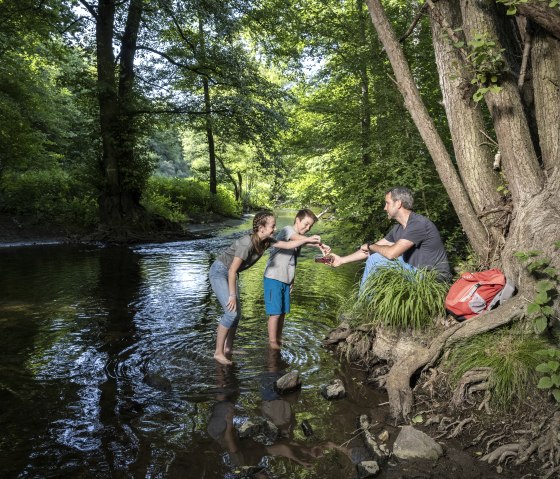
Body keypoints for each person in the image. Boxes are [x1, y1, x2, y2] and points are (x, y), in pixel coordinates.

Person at [209, 210, 323, 365]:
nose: (275, 229)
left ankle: (228, 349)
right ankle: (218, 353)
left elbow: (288, 244)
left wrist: (314, 242)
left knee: (237, 314)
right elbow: (232, 270)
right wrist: (232, 296)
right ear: (261, 227)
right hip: (220, 272)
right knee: (230, 313)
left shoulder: (266, 241)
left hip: (230, 274)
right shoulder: (246, 243)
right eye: (272, 226)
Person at [330, 187, 452, 285]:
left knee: (375, 259)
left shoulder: (418, 224)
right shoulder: (398, 228)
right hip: (416, 271)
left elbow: (391, 253)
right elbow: (370, 249)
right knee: (377, 256)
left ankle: (362, 308)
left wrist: (371, 246)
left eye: (387, 203)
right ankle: (372, 305)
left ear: (398, 203)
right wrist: (342, 260)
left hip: (434, 278)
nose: (384, 208)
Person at [263, 209, 331, 349]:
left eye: (310, 226)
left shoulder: (300, 238)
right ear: (297, 220)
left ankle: (278, 339)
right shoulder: (287, 230)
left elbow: (296, 255)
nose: (307, 228)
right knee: (275, 314)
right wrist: (311, 239)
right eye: (306, 224)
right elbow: (296, 238)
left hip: (286, 279)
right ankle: (272, 343)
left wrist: (320, 246)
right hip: (274, 277)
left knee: (282, 313)